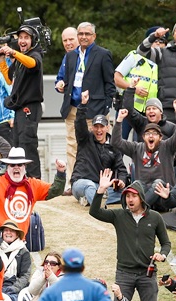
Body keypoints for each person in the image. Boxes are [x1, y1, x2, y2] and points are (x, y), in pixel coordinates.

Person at [90, 172, 171, 301]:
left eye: (133, 196)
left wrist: (162, 254)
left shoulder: (155, 218)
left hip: (147, 275)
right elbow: (95, 212)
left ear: (141, 198)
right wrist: (101, 190)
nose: (129, 199)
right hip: (124, 274)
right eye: (127, 196)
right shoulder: (119, 215)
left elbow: (166, 243)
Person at [56, 23, 115, 188]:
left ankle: (102, 183)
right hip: (73, 108)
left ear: (94, 36)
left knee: (99, 148)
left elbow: (110, 85)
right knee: (72, 146)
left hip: (95, 110)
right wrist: (60, 85)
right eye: (80, 34)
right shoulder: (71, 56)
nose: (83, 37)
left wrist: (105, 110)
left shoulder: (103, 54)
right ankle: (73, 183)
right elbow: (66, 80)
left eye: (87, 34)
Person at [0, 147, 66, 235]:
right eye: (12, 165)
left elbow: (56, 190)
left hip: (20, 239)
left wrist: (60, 173)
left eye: (20, 164)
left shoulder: (33, 185)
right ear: (7, 167)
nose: (16, 167)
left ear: (24, 167)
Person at [112, 100, 176, 207]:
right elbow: (116, 142)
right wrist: (119, 121)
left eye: (154, 134)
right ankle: (136, 206)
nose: (151, 136)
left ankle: (139, 207)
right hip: (144, 192)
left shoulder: (167, 146)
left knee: (158, 183)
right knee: (136, 185)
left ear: (160, 137)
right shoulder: (136, 148)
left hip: (163, 196)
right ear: (143, 137)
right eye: (148, 134)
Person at [0, 25, 44, 178]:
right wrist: (2, 59)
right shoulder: (18, 59)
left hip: (30, 107)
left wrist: (13, 52)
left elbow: (33, 63)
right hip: (19, 109)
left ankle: (35, 181)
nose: (22, 41)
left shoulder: (35, 54)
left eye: (26, 37)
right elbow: (9, 79)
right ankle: (22, 180)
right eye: (20, 38)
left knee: (28, 144)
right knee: (17, 145)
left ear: (33, 40)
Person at [70, 92, 128, 206]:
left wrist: (121, 180)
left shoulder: (114, 146)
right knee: (89, 187)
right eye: (96, 127)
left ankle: (92, 198)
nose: (99, 130)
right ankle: (99, 207)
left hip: (102, 186)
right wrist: (83, 105)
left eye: (102, 127)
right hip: (82, 182)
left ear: (108, 127)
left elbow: (121, 168)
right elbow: (79, 124)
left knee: (126, 192)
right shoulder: (85, 139)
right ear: (92, 128)